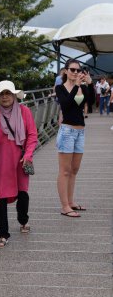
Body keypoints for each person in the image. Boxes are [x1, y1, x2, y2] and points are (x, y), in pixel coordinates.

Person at [0, 81, 38, 248]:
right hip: (0, 163)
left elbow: (32, 135)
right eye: (2, 94)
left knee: (22, 194)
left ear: (14, 95)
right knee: (0, 198)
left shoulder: (24, 112)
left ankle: (23, 219)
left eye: (8, 93)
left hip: (21, 161)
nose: (5, 96)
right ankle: (2, 234)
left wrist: (28, 154)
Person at [55, 59, 91, 217]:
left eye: (78, 70)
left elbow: (90, 102)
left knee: (74, 170)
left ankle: (71, 202)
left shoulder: (82, 87)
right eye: (72, 69)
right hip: (67, 131)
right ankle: (64, 206)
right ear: (66, 71)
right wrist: (76, 85)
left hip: (80, 131)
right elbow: (66, 104)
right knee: (65, 171)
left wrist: (88, 85)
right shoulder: (60, 88)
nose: (76, 72)